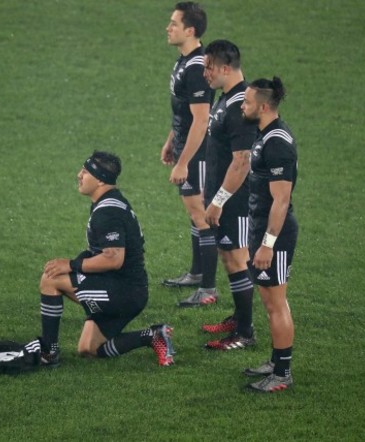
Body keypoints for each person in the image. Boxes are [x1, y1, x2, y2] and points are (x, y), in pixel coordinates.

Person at [38, 151, 175, 367]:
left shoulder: (107, 211)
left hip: (122, 292)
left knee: (51, 279)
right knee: (88, 349)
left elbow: (113, 259)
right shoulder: (111, 202)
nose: (78, 175)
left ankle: (48, 353)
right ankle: (152, 336)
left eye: (85, 172)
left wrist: (72, 265)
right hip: (127, 288)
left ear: (100, 178)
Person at [196, 40, 259, 351]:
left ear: (224, 68)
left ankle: (245, 333)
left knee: (237, 259)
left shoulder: (240, 106)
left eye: (208, 67)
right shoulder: (227, 97)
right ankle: (238, 317)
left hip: (236, 200)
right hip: (222, 196)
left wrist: (219, 200)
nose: (204, 73)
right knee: (228, 256)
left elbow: (242, 161)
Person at [240, 77, 299, 392]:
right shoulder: (265, 134)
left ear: (263, 106)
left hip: (273, 234)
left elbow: (281, 200)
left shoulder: (276, 143)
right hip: (261, 228)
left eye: (247, 102)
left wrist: (268, 244)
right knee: (269, 301)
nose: (242, 105)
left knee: (276, 303)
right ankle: (276, 362)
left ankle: (282, 374)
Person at [160, 2, 217, 308]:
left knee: (202, 215)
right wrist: (172, 141)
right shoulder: (185, 61)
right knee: (193, 213)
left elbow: (202, 119)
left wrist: (184, 161)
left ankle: (208, 289)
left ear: (190, 30)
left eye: (173, 23)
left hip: (200, 153)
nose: (168, 28)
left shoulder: (197, 68)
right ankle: (197, 274)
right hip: (186, 147)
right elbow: (182, 110)